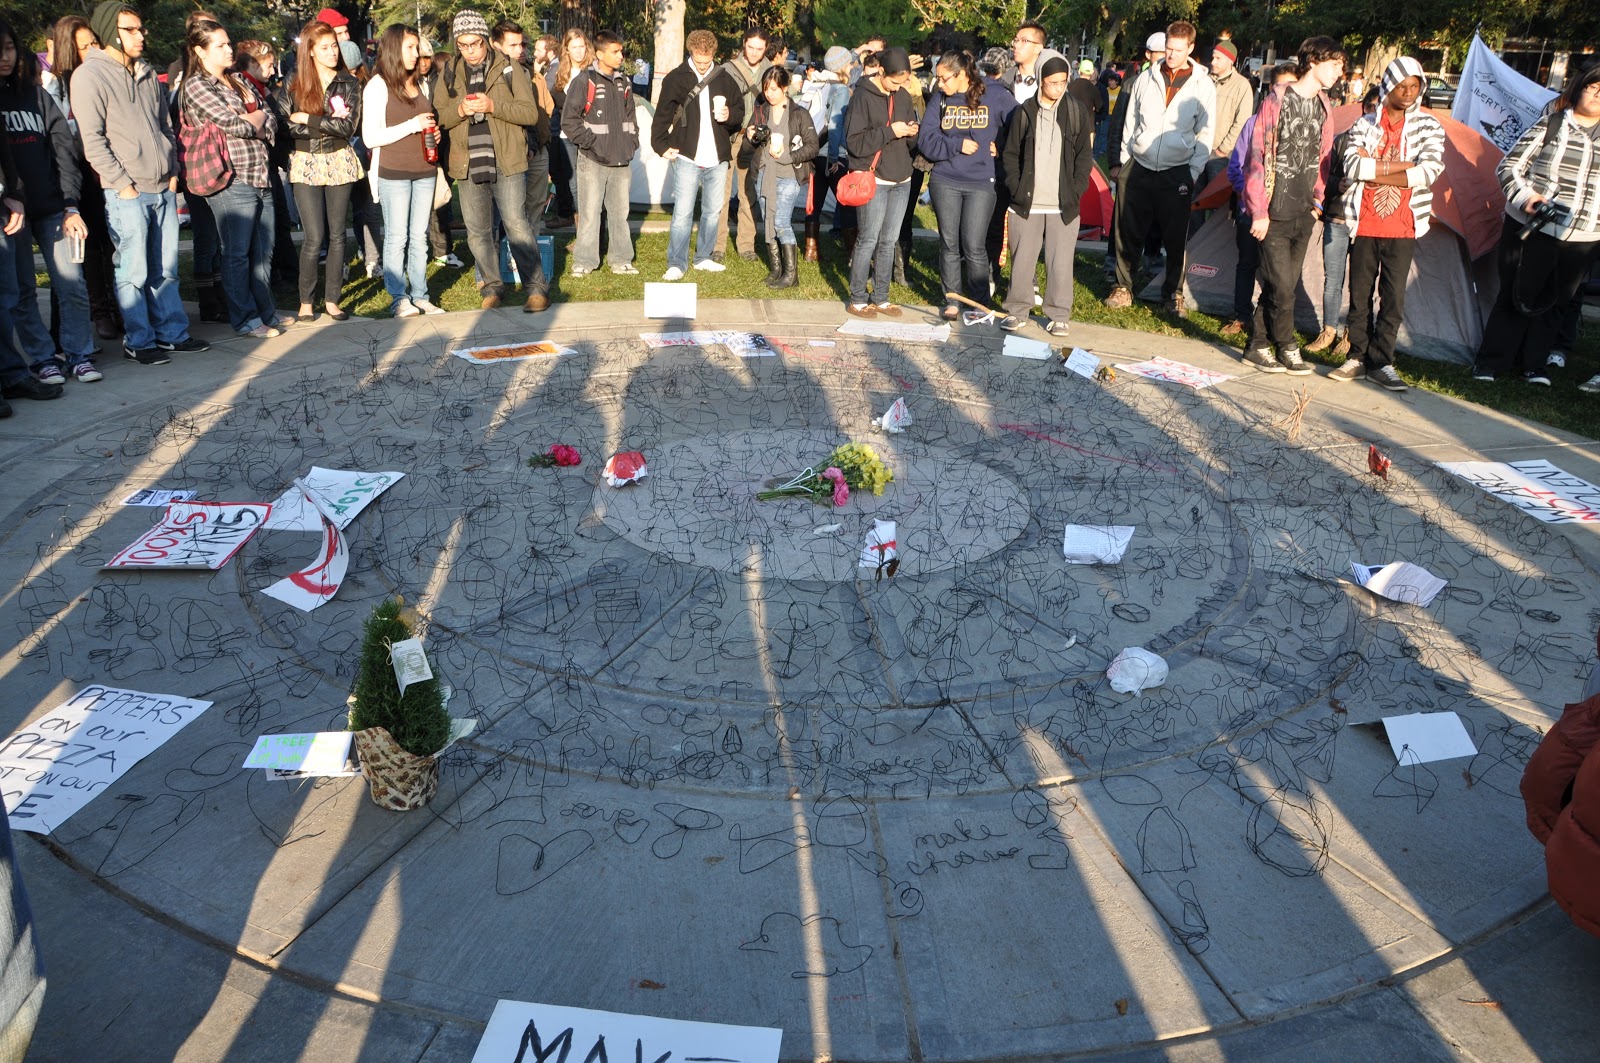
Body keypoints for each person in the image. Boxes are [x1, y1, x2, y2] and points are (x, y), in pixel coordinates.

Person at [75, 0, 207, 364]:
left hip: (162, 185)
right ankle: (139, 340)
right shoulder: (89, 76)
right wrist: (123, 184)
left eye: (141, 28)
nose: (140, 35)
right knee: (133, 271)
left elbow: (165, 126)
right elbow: (93, 141)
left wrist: (173, 172)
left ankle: (172, 334)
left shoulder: (147, 72)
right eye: (130, 29)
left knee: (166, 269)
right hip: (127, 191)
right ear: (110, 31)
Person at [1475, 62, 1600, 385]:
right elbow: (1508, 167)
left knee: (1557, 301)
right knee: (1518, 294)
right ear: (1579, 88)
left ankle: (1534, 366)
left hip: (1584, 235)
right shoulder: (1552, 124)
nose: (1598, 95)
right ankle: (1491, 362)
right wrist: (1527, 198)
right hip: (1535, 227)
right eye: (1593, 87)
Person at [1326, 58, 1446, 392]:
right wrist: (1405, 167)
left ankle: (1382, 362)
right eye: (1401, 86)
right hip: (1364, 221)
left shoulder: (1429, 126)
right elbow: (1352, 167)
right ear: (1388, 86)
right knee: (1359, 294)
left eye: (1415, 86)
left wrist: (1375, 168)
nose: (1408, 93)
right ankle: (1356, 356)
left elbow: (1429, 171)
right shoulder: (1365, 123)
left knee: (1393, 298)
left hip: (1403, 225)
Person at [0, 25, 101, 383]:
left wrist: (70, 204)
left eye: (9, 47)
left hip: (53, 208)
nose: (5, 57)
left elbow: (63, 150)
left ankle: (79, 354)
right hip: (10, 213)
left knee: (71, 284)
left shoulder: (37, 96)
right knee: (23, 291)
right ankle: (43, 358)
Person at [1238, 35, 1344, 375]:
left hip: (1304, 211)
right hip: (1273, 211)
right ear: (1313, 62)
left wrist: (1317, 203)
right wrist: (1258, 211)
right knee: (1283, 287)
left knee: (1280, 284)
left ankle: (1257, 344)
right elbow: (1257, 157)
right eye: (1334, 64)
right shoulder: (1277, 99)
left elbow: (1324, 158)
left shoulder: (1325, 105)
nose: (1339, 72)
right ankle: (1286, 345)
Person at [436, 9, 548, 311]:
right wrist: (460, 110)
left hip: (506, 160)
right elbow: (439, 116)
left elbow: (529, 113)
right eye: (463, 45)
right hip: (467, 162)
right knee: (477, 232)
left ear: (485, 39)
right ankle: (492, 287)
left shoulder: (510, 68)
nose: (469, 51)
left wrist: (493, 105)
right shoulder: (449, 71)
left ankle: (536, 288)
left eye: (475, 43)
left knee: (517, 225)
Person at [180, 17, 283, 339]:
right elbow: (233, 124)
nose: (229, 50)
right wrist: (255, 119)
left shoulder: (238, 79)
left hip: (260, 173)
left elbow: (271, 118)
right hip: (230, 178)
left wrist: (256, 118)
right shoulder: (196, 85)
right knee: (237, 253)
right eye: (221, 45)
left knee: (263, 253)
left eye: (228, 43)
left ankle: (266, 312)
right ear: (201, 51)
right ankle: (246, 319)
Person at [1106, 21, 1215, 316]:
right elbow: (1131, 122)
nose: (1171, 55)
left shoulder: (1203, 85)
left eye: (1178, 50)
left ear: (1190, 48)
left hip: (1177, 169)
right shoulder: (1145, 78)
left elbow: (1205, 133)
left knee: (1175, 237)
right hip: (1139, 165)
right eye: (1168, 48)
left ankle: (1173, 294)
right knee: (1127, 230)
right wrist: (1125, 161)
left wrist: (1193, 172)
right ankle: (1122, 287)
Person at [998, 54, 1093, 335]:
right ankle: (1017, 310)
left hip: (1063, 204)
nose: (1059, 87)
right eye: (1053, 82)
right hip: (1026, 202)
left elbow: (1084, 157)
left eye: (1063, 82)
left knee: (1060, 263)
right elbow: (1010, 154)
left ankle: (1058, 314)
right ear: (1041, 81)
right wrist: (1016, 187)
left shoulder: (1076, 111)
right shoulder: (1024, 112)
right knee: (1022, 261)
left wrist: (1076, 189)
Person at [918, 49, 1015, 319]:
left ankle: (980, 302)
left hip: (981, 182)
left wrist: (1002, 147)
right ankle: (953, 300)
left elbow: (1020, 124)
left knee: (974, 245)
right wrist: (956, 144)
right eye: (937, 78)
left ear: (961, 74)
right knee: (949, 243)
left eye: (944, 78)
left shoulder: (994, 94)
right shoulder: (940, 99)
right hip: (945, 180)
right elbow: (926, 139)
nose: (939, 84)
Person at [43, 14, 122, 345]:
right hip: (75, 173)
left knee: (111, 241)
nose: (91, 50)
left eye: (94, 43)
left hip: (105, 168)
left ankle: (117, 306)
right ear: (67, 48)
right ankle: (98, 310)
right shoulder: (54, 84)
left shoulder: (102, 75)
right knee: (86, 247)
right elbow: (61, 134)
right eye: (83, 46)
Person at [279, 19, 362, 323]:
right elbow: (284, 124)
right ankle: (306, 301)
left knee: (338, 234)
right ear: (310, 51)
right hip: (306, 161)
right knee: (314, 236)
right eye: (324, 47)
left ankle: (332, 300)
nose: (332, 52)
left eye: (334, 46)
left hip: (339, 158)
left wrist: (309, 119)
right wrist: (322, 125)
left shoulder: (349, 82)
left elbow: (347, 127)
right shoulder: (295, 80)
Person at [363, 23, 444, 317]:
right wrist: (413, 125)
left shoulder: (421, 83)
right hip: (393, 171)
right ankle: (398, 297)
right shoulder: (378, 85)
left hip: (425, 169)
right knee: (397, 237)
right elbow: (370, 137)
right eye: (409, 48)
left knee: (420, 236)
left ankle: (420, 295)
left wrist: (434, 134)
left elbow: (425, 123)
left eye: (416, 48)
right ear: (394, 49)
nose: (416, 54)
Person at [652, 29, 744, 281]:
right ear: (690, 52)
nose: (703, 66)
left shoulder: (724, 77)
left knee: (713, 212)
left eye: (707, 61)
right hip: (686, 155)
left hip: (717, 156)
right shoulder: (676, 77)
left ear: (714, 53)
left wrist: (730, 115)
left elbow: (739, 110)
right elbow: (662, 114)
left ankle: (703, 257)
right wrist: (660, 145)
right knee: (682, 213)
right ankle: (676, 263)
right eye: (698, 61)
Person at [1221, 62, 1299, 337]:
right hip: (1251, 211)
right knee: (1247, 264)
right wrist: (1250, 197)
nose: (1285, 92)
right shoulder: (1253, 123)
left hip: (1285, 213)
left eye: (1292, 87)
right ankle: (1241, 315)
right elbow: (1235, 167)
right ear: (1271, 89)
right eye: (1281, 86)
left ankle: (1270, 322)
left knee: (1277, 271)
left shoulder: (1302, 127)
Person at [843, 46, 919, 317]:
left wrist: (912, 132)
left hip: (902, 177)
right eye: (895, 81)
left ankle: (881, 296)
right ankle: (857, 298)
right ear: (882, 72)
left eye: (904, 82)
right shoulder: (862, 96)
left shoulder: (903, 96)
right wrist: (890, 131)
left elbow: (911, 141)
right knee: (868, 239)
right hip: (874, 177)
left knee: (889, 241)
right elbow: (854, 143)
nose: (899, 87)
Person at [1306, 84, 1379, 355]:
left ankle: (1352, 334)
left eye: (1378, 108)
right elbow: (1324, 177)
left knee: (1361, 283)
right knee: (1333, 278)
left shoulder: (1385, 145)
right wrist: (1339, 184)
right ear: (1363, 108)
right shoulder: (1342, 140)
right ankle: (1328, 331)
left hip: (1367, 222)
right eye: (1370, 107)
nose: (1373, 112)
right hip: (1338, 218)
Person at [562, 30, 639, 278]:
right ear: (599, 54)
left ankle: (621, 259)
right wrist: (591, 144)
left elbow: (631, 118)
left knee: (620, 213)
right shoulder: (584, 81)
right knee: (589, 213)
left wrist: (631, 143)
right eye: (615, 52)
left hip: (621, 160)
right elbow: (569, 121)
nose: (620, 56)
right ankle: (584, 261)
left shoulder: (625, 82)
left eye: (621, 51)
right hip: (592, 160)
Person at [490, 20, 555, 296]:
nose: (520, 50)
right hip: (511, 154)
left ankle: (530, 264)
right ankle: (501, 268)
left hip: (538, 150)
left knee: (534, 208)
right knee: (508, 214)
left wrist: (539, 142)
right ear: (496, 45)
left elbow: (544, 111)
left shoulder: (533, 74)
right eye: (513, 45)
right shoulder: (494, 76)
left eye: (522, 44)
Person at [747, 65, 817, 289]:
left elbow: (813, 146)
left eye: (774, 89)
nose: (769, 94)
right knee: (768, 221)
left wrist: (789, 156)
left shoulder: (799, 113)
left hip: (788, 175)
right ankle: (776, 269)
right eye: (766, 88)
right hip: (764, 173)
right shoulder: (762, 110)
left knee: (781, 222)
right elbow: (752, 137)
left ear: (785, 88)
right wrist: (751, 134)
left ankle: (791, 275)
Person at [716, 27, 771, 263]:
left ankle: (746, 245)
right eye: (751, 47)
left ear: (766, 49)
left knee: (749, 193)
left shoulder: (771, 71)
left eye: (760, 48)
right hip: (730, 137)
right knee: (721, 194)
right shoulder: (727, 70)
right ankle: (717, 245)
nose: (755, 52)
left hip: (756, 140)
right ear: (743, 44)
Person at [551, 30, 592, 229]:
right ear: (566, 49)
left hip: (585, 133)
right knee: (566, 179)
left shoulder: (592, 72)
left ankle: (586, 230)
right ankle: (572, 219)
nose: (578, 51)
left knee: (579, 183)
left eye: (581, 46)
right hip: (563, 133)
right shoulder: (562, 72)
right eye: (574, 47)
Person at [1207, 40, 1251, 187]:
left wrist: (1223, 149)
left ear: (1230, 61)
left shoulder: (1242, 85)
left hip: (1221, 155)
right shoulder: (1205, 81)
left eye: (1218, 58)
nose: (1213, 62)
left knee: (1215, 197)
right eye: (1213, 57)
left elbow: (1242, 122)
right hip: (1199, 150)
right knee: (1194, 197)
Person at [1067, 59, 1099, 142]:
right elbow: (1100, 107)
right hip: (1088, 126)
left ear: (1079, 71)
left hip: (1071, 125)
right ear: (1092, 73)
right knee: (1087, 149)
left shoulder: (1070, 86)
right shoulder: (1094, 89)